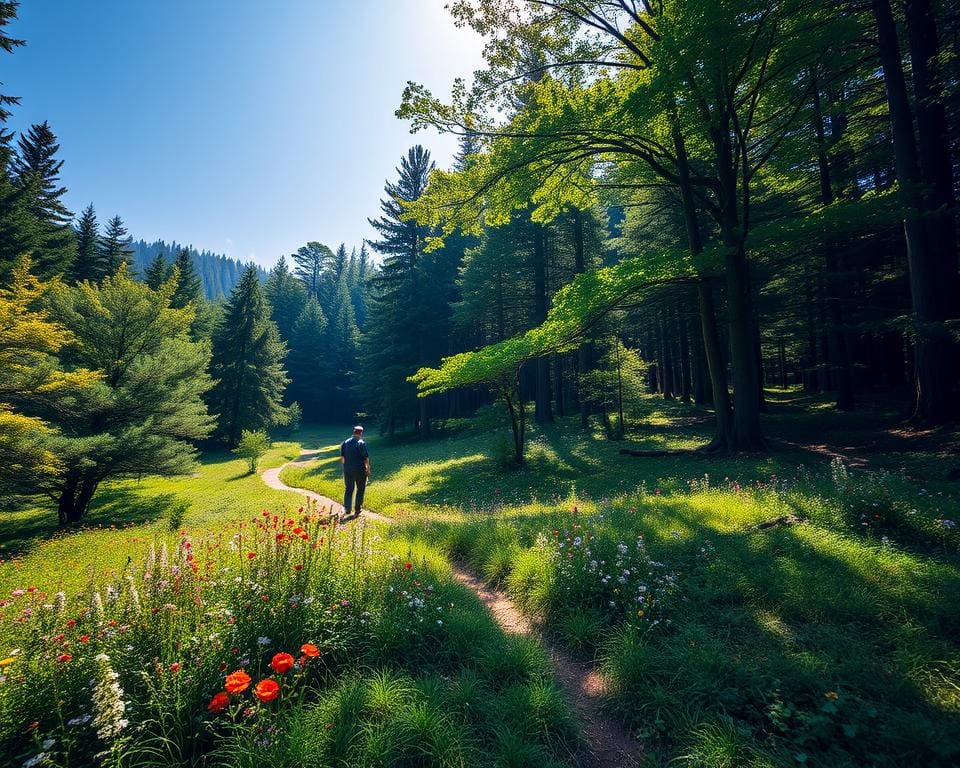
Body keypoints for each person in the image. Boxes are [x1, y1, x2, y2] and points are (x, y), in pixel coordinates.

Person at [340, 425, 370, 517]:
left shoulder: (345, 443)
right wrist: (368, 469)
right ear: (361, 433)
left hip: (348, 470)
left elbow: (342, 458)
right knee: (360, 489)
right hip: (359, 470)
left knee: (349, 489)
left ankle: (348, 509)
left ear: (353, 432)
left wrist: (346, 468)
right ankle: (357, 509)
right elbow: (365, 458)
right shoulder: (361, 443)